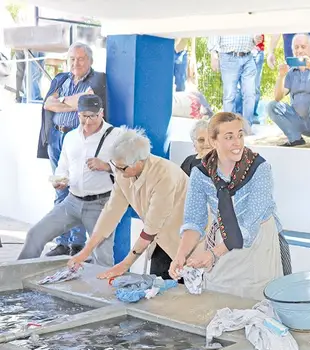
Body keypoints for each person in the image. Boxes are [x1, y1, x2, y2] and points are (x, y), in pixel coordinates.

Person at [169, 112, 292, 299]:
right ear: (213, 140)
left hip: (257, 241)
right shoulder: (200, 174)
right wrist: (181, 254)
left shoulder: (259, 169)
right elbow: (194, 220)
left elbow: (250, 224)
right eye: (229, 137)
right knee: (219, 297)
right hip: (223, 237)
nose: (238, 143)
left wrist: (213, 254)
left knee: (254, 301)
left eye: (240, 135)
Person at [68, 128, 189, 281]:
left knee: (185, 293)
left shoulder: (165, 175)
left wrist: (125, 264)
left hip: (187, 241)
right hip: (160, 241)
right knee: (158, 290)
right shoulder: (123, 174)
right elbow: (110, 212)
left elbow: (151, 227)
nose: (117, 171)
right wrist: (85, 252)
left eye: (122, 167)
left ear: (139, 162)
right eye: (115, 166)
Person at [19, 95, 120, 266]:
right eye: (83, 116)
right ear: (77, 114)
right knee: (35, 235)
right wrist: (60, 180)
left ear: (101, 113)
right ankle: (15, 278)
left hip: (100, 204)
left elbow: (132, 168)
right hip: (71, 202)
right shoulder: (71, 137)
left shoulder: (116, 136)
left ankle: (101, 291)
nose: (87, 122)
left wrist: (107, 166)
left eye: (92, 116)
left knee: (102, 257)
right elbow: (63, 166)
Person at [36, 42, 107, 257]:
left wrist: (64, 102)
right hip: (56, 136)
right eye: (72, 59)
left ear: (90, 61)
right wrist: (70, 103)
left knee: (76, 190)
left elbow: (86, 103)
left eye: (81, 58)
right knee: (59, 188)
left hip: (77, 139)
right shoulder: (61, 79)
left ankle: (76, 244)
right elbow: (48, 103)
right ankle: (62, 241)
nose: (76, 63)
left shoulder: (96, 78)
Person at [266, 33, 310, 148]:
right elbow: (278, 97)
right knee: (272, 106)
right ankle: (295, 139)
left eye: (303, 47)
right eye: (296, 47)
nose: (299, 50)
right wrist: (281, 76)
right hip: (301, 123)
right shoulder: (291, 72)